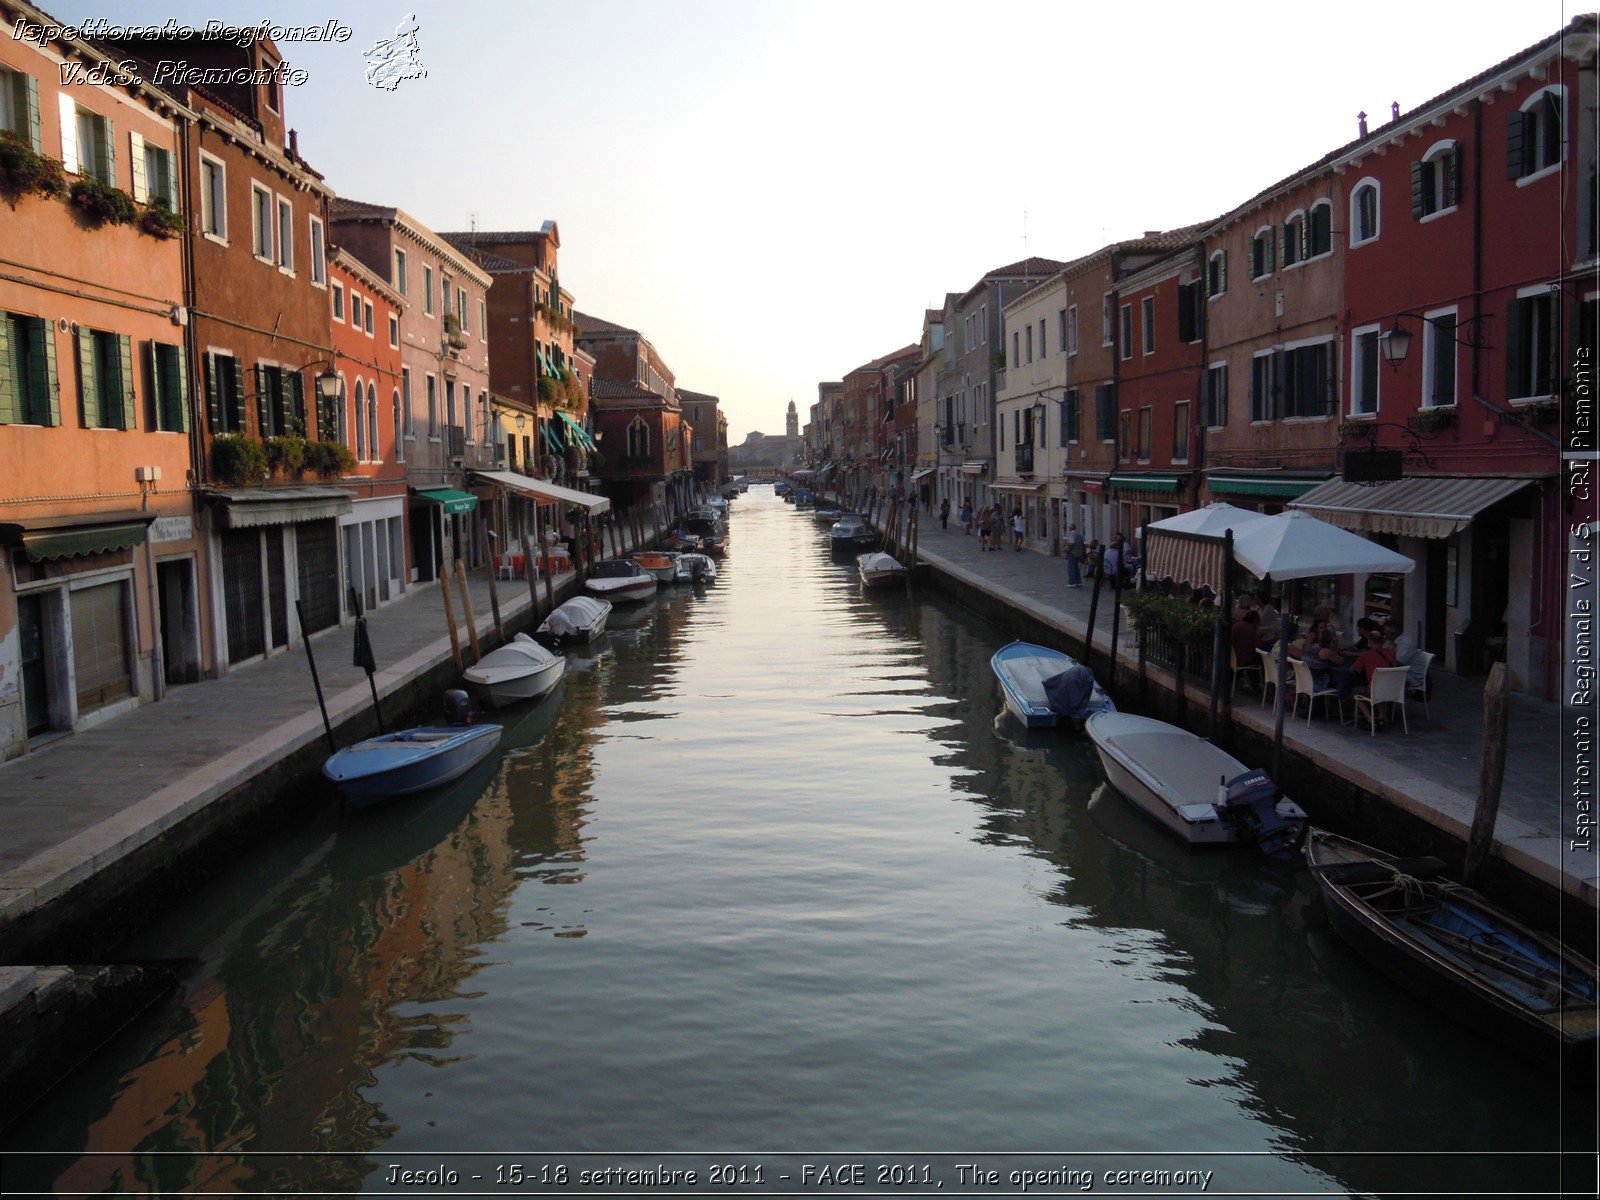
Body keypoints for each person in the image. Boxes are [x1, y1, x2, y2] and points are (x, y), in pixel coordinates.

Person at [1385, 621, 1428, 693]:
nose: (1384, 634)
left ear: (1391, 633)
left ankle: (1388, 699)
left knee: (1383, 678)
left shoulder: (1406, 644)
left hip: (1412, 675)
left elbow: (1398, 663)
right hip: (1401, 671)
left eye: (1385, 632)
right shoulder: (1390, 642)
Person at [1231, 610, 1262, 687]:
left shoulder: (1238, 625)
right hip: (1244, 658)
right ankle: (1256, 683)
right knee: (1263, 659)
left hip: (1234, 657)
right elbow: (1258, 645)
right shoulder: (1249, 628)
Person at [1065, 524, 1084, 588]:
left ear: (1070, 528)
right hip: (1078, 552)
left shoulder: (1071, 534)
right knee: (1076, 568)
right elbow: (1082, 543)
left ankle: (1072, 582)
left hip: (1072, 552)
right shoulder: (1079, 534)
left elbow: (1072, 543)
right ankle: (1078, 581)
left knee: (1071, 567)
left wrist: (1068, 550)